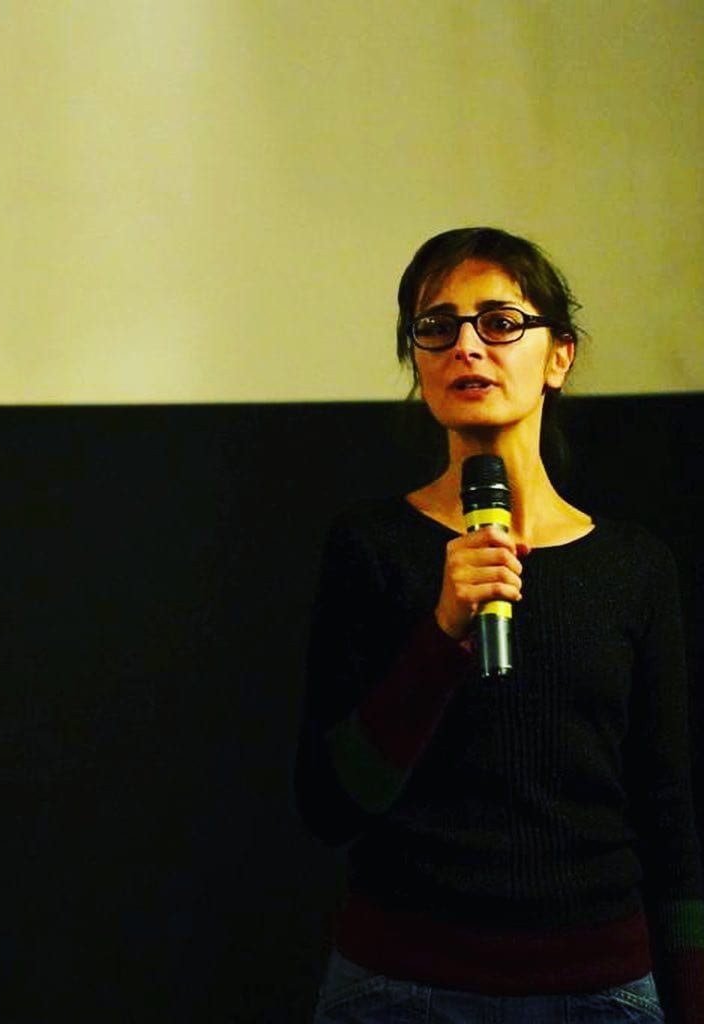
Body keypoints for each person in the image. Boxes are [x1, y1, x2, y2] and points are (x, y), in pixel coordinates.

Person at [296, 227, 704, 1022]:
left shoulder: (635, 567)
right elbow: (329, 803)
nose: (467, 347)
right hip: (400, 987)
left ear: (559, 356)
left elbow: (669, 818)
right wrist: (441, 635)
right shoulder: (370, 547)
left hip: (599, 990)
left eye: (500, 322)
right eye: (436, 326)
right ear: (417, 360)